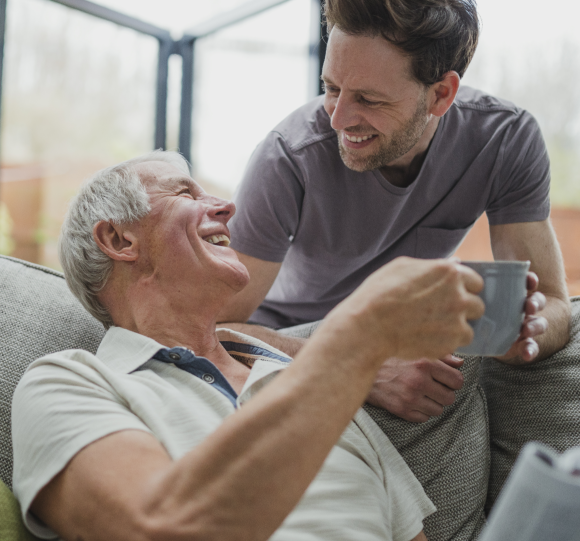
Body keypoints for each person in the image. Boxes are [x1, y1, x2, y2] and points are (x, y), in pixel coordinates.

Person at [11, 151, 489, 541]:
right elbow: (154, 528)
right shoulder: (68, 382)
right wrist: (358, 334)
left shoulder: (315, 383)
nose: (227, 207)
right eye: (184, 193)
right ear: (118, 238)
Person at [218, 0, 570, 422]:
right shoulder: (288, 156)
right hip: (294, 336)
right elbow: (215, 328)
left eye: (368, 99)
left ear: (441, 95)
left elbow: (555, 303)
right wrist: (360, 364)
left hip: (402, 330)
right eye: (331, 88)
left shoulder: (504, 138)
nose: (338, 118)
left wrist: (518, 332)